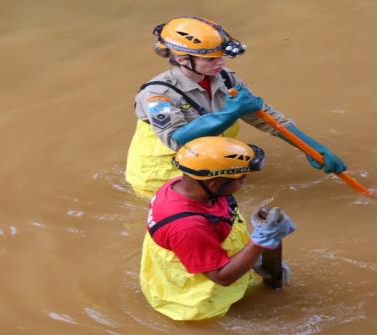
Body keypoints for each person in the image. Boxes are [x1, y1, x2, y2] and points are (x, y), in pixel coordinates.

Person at [126, 16, 347, 199]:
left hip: (209, 168)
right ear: (183, 60)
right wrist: (230, 112)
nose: (221, 63)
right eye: (212, 59)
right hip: (165, 179)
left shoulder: (225, 78)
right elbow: (175, 139)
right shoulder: (157, 94)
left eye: (221, 57)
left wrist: (310, 146)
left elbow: (264, 116)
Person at [140, 136, 296, 321]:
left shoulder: (185, 186)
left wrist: (257, 257)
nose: (243, 183)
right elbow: (222, 277)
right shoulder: (187, 226)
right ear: (214, 184)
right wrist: (260, 241)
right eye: (241, 179)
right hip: (199, 301)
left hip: (202, 259)